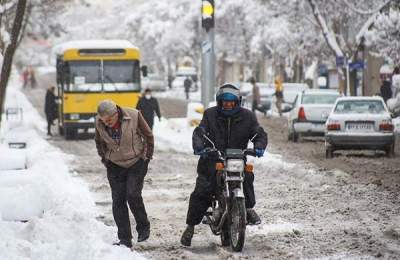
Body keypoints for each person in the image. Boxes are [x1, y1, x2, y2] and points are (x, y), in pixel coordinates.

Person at [180, 83, 268, 247]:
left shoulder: (248, 117)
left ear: (237, 102)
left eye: (231, 102)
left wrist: (259, 145)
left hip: (237, 159)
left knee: (247, 177)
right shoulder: (210, 115)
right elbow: (200, 132)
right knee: (203, 190)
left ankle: (247, 208)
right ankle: (190, 227)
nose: (228, 105)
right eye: (224, 102)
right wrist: (200, 146)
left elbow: (258, 132)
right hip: (212, 161)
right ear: (219, 102)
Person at [94, 100, 154, 248]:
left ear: (116, 114)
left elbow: (148, 135)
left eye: (109, 120)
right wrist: (105, 159)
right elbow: (98, 141)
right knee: (118, 201)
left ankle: (143, 226)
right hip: (115, 165)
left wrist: (146, 157)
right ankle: (125, 239)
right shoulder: (99, 122)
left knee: (132, 194)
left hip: (136, 162)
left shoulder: (133, 115)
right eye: (103, 120)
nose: (106, 123)